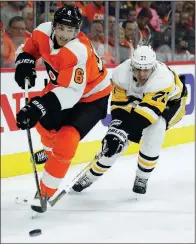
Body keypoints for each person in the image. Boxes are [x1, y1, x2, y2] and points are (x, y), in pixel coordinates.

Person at [15, 5, 112, 212]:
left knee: (67, 139)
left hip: (93, 96)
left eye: (71, 30)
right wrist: (25, 63)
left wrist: (38, 106)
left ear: (77, 31)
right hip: (62, 87)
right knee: (44, 125)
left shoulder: (77, 50)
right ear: (54, 26)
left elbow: (71, 93)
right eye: (62, 28)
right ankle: (51, 154)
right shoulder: (42, 31)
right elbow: (30, 48)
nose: (66, 35)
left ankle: (45, 191)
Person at [70, 45, 188, 195]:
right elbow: (119, 105)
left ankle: (142, 177)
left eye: (146, 70)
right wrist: (115, 131)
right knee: (116, 139)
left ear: (153, 66)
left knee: (156, 127)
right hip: (140, 99)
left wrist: (123, 132)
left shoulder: (162, 78)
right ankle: (90, 175)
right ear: (132, 65)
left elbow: (147, 114)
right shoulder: (121, 73)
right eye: (138, 69)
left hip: (172, 103)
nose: (142, 74)